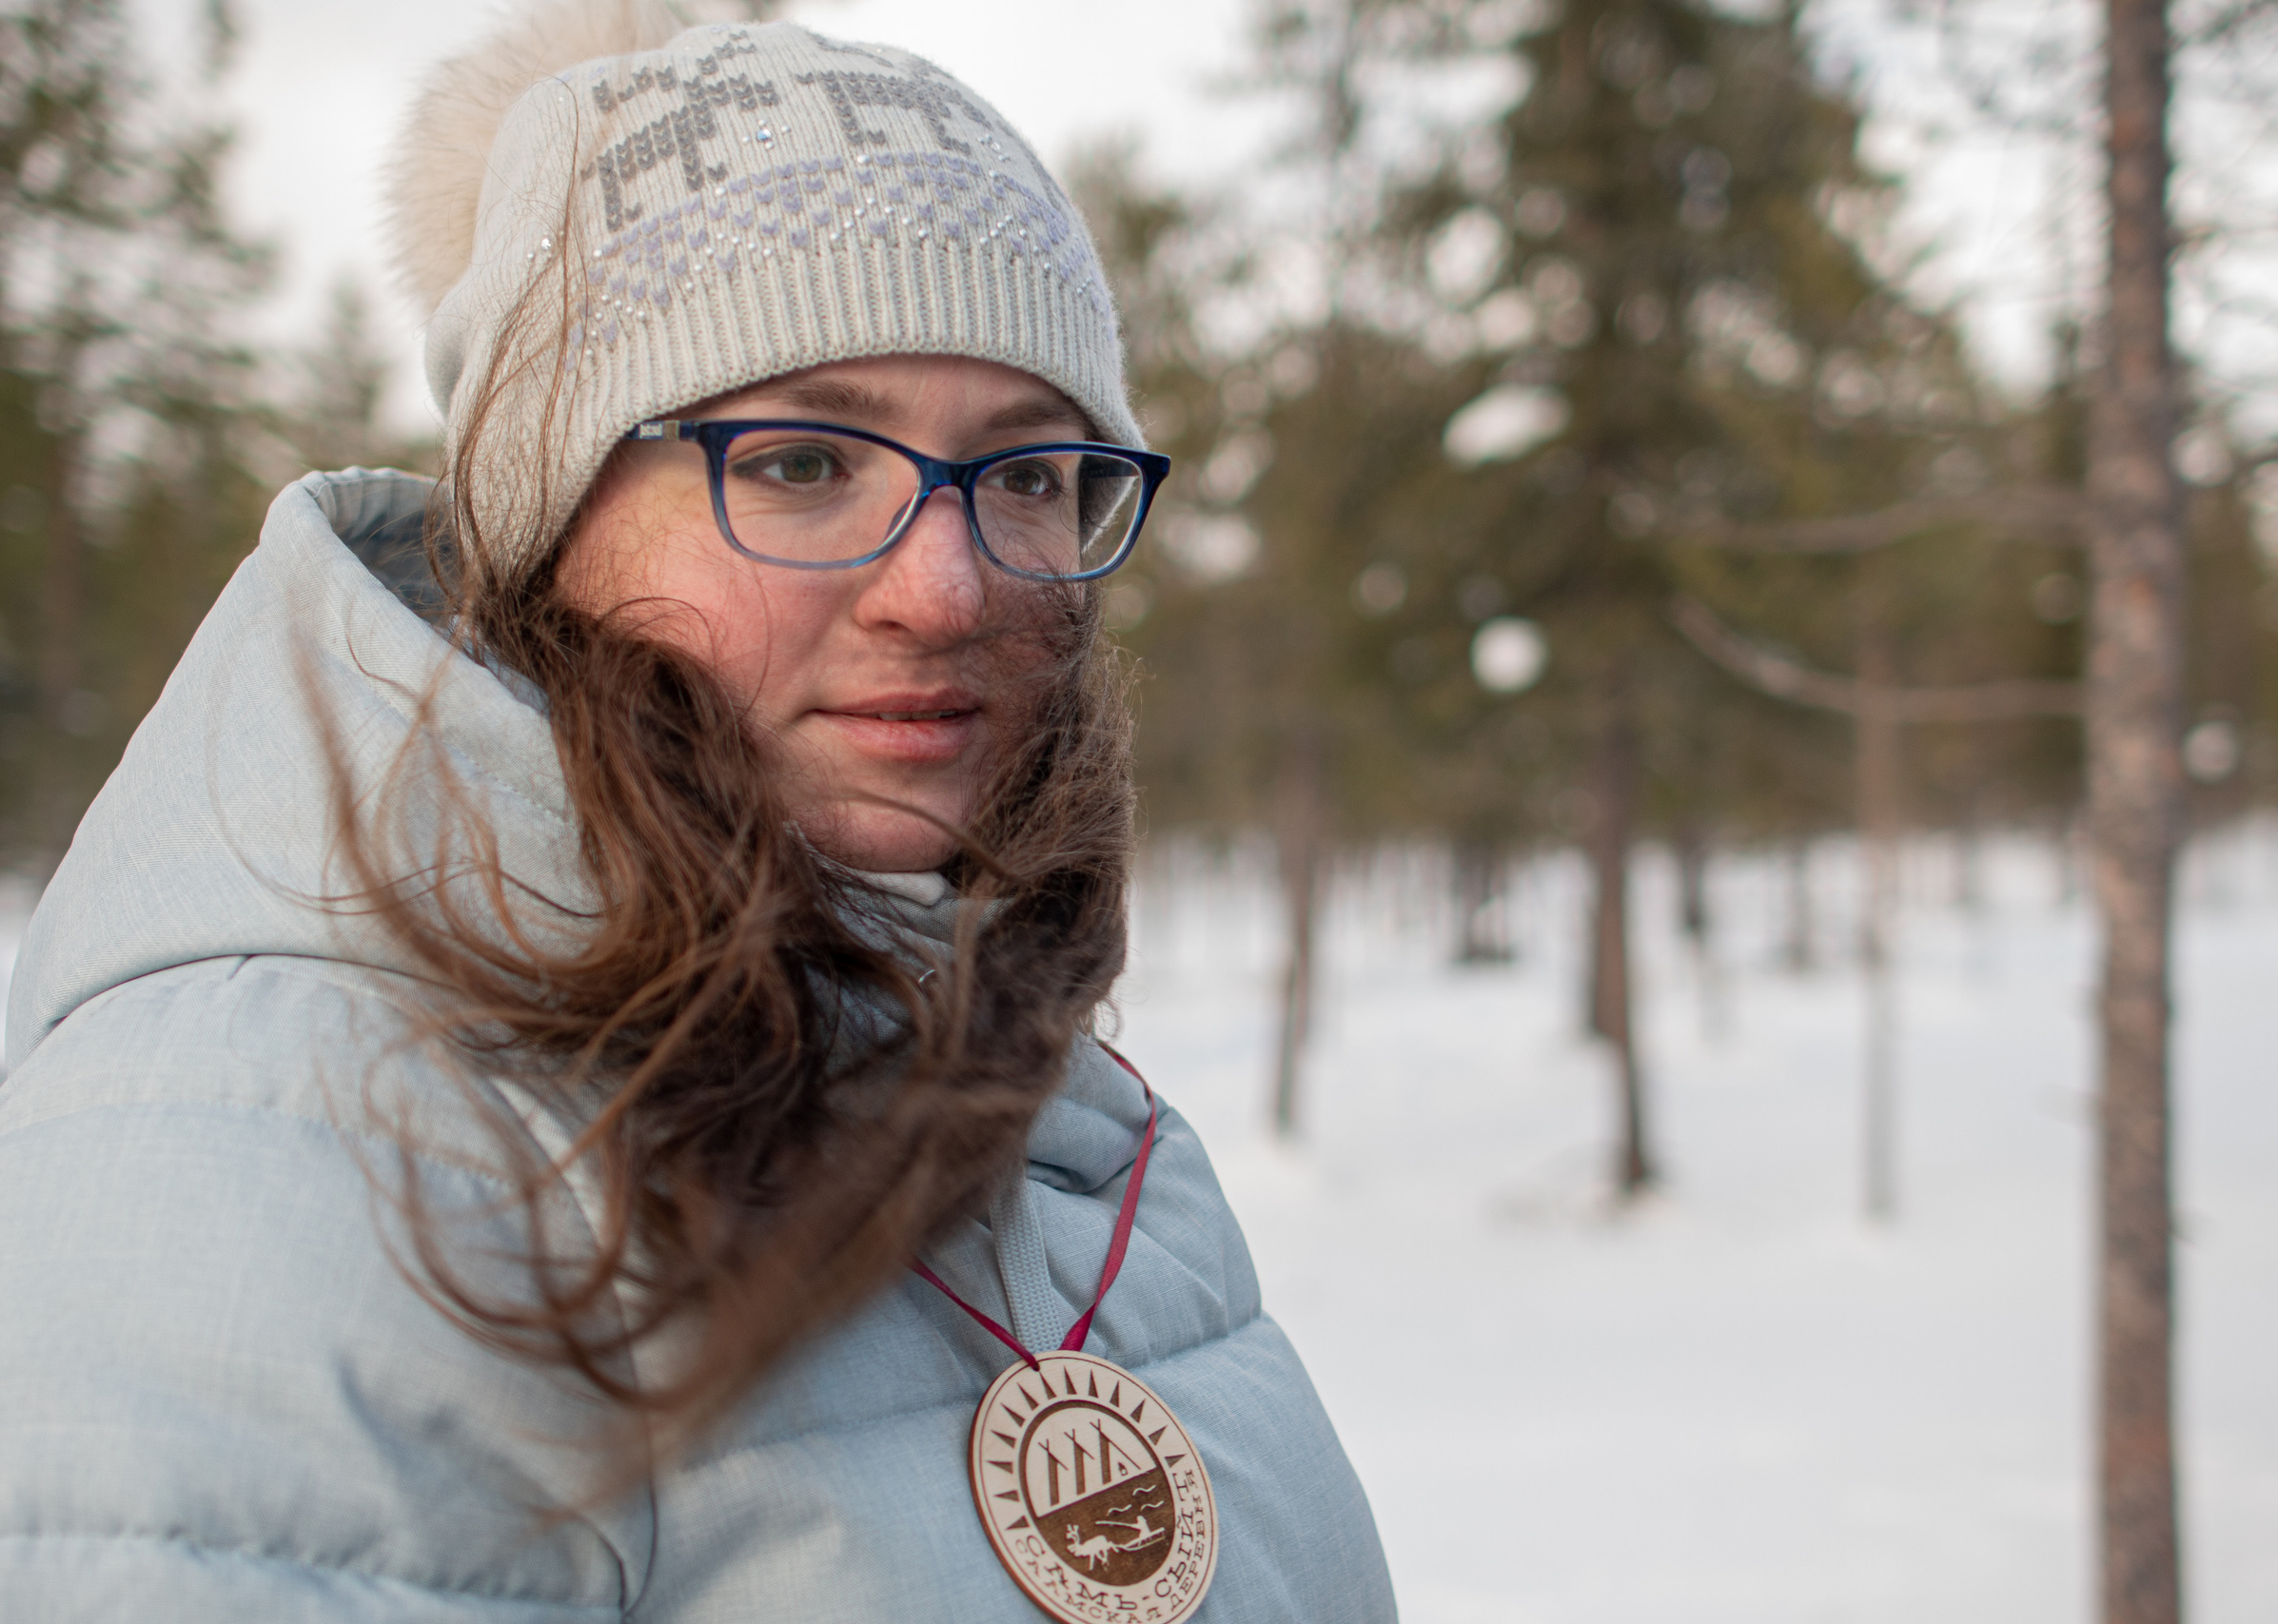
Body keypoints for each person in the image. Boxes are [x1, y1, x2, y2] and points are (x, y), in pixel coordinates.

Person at [0, 6, 1397, 1619]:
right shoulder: (260, 1156)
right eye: (802, 461)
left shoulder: (1053, 1104)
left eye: (1025, 472)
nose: (948, 588)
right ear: (544, 510)